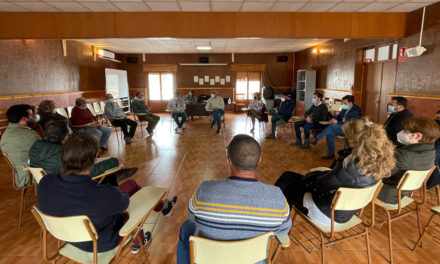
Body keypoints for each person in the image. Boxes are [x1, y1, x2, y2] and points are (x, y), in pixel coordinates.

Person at [37, 133, 178, 255]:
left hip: (66, 237)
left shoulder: (44, 182)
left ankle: (164, 207)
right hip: (102, 243)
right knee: (133, 201)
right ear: (95, 158)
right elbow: (125, 203)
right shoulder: (102, 194)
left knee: (130, 186)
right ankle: (138, 241)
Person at [176, 134, 292, 264]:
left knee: (186, 227)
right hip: (253, 260)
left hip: (210, 259)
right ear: (259, 160)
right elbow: (284, 229)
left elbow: (192, 218)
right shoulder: (277, 197)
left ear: (228, 161)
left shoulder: (204, 190)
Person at [275, 119, 395, 226]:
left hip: (328, 214)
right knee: (292, 179)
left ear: (356, 142)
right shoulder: (379, 161)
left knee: (286, 182)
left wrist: (313, 175)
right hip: (348, 211)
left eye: (348, 138)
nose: (346, 141)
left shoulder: (350, 165)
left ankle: (277, 223)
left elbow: (320, 185)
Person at [29, 120, 138, 184]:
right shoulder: (62, 153)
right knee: (102, 174)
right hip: (66, 184)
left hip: (47, 183)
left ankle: (114, 175)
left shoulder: (35, 146)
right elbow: (87, 171)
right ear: (66, 136)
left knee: (90, 162)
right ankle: (114, 176)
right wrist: (114, 162)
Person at [378, 117, 440, 203]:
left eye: (405, 131)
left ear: (417, 136)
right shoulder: (431, 151)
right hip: (403, 192)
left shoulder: (403, 156)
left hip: (387, 193)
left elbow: (379, 173)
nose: (402, 132)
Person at [309, 95, 362, 160]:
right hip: (340, 128)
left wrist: (337, 122)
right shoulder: (345, 107)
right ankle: (331, 154)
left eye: (345, 103)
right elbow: (339, 116)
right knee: (330, 133)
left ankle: (316, 138)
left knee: (332, 126)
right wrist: (333, 119)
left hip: (349, 129)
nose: (343, 105)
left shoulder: (356, 110)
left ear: (351, 103)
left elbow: (351, 124)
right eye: (343, 103)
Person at [0, 104, 41, 187]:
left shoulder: (5, 136)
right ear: (24, 119)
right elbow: (46, 152)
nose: (32, 118)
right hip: (30, 175)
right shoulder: (30, 135)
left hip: (19, 176)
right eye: (30, 116)